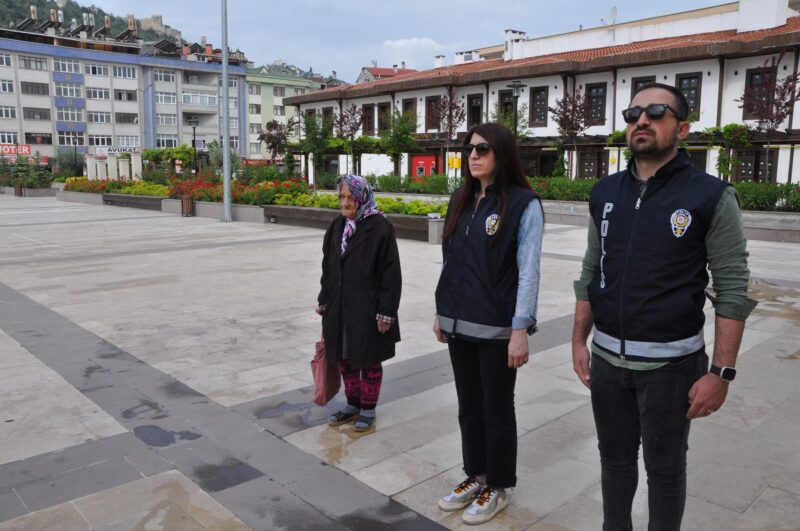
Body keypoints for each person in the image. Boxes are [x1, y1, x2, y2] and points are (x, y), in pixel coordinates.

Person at [571, 83, 757, 530]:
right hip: (608, 363)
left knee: (666, 470)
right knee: (614, 462)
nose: (642, 120)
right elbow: (592, 268)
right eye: (633, 113)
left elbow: (732, 288)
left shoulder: (710, 196)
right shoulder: (605, 192)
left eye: (656, 112)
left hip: (672, 369)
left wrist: (721, 372)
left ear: (682, 128)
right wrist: (578, 339)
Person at [434, 123, 544, 525]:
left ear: (502, 153)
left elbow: (528, 271)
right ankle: (475, 475)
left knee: (496, 408)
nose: (473, 156)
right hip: (458, 322)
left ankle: (497, 485)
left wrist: (520, 329)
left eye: (482, 149)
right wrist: (441, 310)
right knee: (468, 406)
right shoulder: (460, 199)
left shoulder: (523, 204)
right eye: (469, 149)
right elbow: (450, 260)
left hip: (497, 328)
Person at [317, 174, 401, 432]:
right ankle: (352, 404)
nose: (345, 202)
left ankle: (368, 408)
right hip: (339, 306)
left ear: (362, 197)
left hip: (368, 308)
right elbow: (328, 267)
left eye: (350, 197)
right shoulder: (337, 226)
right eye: (341, 197)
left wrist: (386, 312)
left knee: (369, 359)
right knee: (344, 357)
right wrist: (324, 299)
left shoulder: (380, 227)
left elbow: (391, 273)